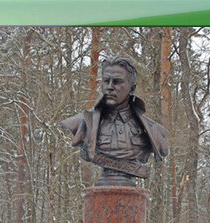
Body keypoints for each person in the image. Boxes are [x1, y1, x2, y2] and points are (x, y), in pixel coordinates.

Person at [59, 54, 168, 182]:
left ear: (132, 89)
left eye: (117, 82)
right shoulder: (81, 122)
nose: (110, 87)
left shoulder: (153, 131)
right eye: (106, 81)